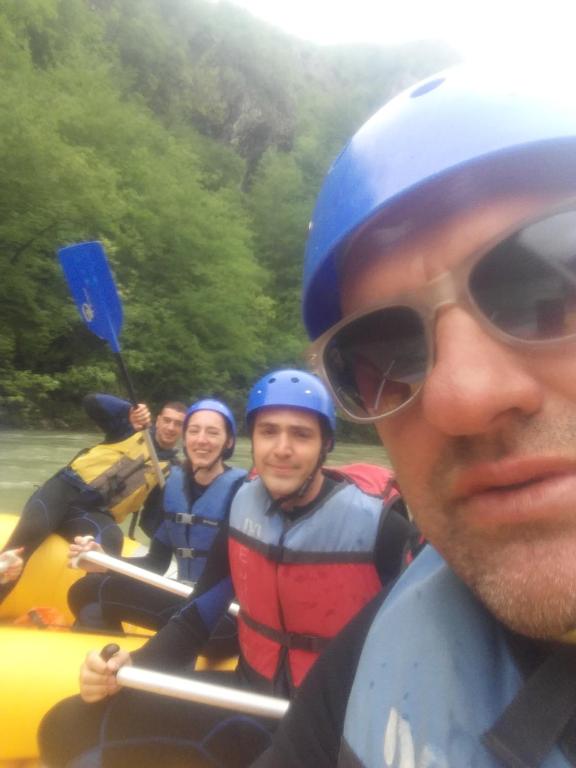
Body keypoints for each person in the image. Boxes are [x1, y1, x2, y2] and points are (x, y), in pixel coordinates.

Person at [252, 64, 576, 768]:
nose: (459, 397)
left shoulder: (380, 534)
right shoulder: (374, 651)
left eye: (552, 288)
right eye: (382, 353)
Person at [38, 369, 420, 768]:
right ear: (253, 440)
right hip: (250, 698)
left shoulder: (381, 529)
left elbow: (415, 654)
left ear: (325, 444)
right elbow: (196, 618)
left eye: (301, 434)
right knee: (64, 726)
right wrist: (132, 663)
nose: (282, 448)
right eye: (269, 432)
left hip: (333, 728)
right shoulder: (241, 510)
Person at [67, 398, 246, 639]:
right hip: (182, 597)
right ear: (185, 437)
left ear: (229, 441)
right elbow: (155, 563)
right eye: (194, 431)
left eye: (213, 432)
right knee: (84, 590)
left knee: (90, 593)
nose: (202, 439)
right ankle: (120, 654)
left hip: (227, 614)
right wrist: (104, 562)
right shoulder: (174, 487)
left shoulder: (243, 492)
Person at [0, 394, 185, 603]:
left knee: (111, 540)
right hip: (63, 491)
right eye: (167, 420)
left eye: (178, 424)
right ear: (158, 420)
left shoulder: (170, 473)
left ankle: (87, 613)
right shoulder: (129, 429)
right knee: (19, 547)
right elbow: (91, 402)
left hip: (93, 514)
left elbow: (150, 521)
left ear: (183, 430)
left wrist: (177, 537)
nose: (171, 427)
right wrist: (129, 411)